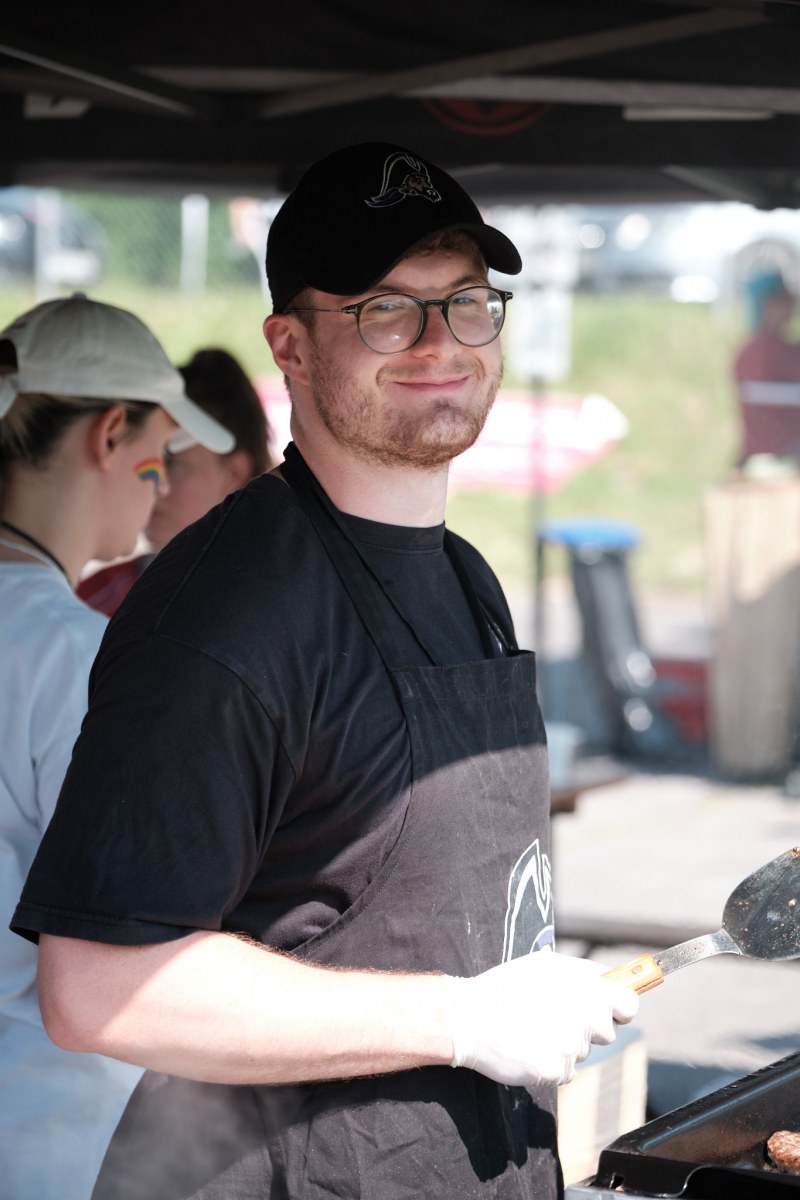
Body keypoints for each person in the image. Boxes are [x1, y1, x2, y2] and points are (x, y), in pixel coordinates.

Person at [12, 144, 639, 1200]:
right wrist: (460, 1017)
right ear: (290, 347)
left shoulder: (467, 578)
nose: (439, 343)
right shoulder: (225, 613)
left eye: (465, 302)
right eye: (384, 309)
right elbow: (99, 987)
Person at [0, 293, 234, 1200]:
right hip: (49, 1136)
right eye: (158, 456)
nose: (160, 489)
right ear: (108, 435)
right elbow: (148, 922)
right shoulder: (76, 656)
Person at [77, 347, 272, 616]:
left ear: (233, 474)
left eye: (171, 462)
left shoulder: (277, 601)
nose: (155, 484)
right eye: (149, 457)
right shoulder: (95, 599)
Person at [733, 267, 800, 463]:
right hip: (778, 454)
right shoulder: (758, 352)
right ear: (766, 306)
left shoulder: (786, 349)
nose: (791, 306)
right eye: (782, 301)